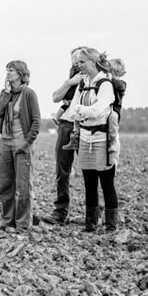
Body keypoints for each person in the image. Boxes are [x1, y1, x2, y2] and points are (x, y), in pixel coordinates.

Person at [62, 47, 118, 232]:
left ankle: (111, 225)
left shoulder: (105, 84)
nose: (79, 66)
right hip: (85, 137)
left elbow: (98, 110)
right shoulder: (83, 84)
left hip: (103, 139)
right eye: (77, 63)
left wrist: (81, 110)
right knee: (89, 181)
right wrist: (82, 111)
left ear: (93, 62)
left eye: (82, 63)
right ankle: (91, 223)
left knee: (106, 181)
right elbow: (72, 112)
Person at [0, 61, 41, 233]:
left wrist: (26, 141)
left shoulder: (29, 94)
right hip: (5, 142)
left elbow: (36, 121)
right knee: (5, 184)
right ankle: (7, 221)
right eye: (7, 70)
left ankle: (22, 224)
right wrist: (6, 94)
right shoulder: (5, 93)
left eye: (11, 70)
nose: (8, 73)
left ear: (21, 73)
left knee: (23, 186)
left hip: (21, 143)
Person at [63, 57, 127, 167]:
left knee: (113, 119)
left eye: (116, 72)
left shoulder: (119, 83)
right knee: (78, 117)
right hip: (102, 108)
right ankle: (75, 135)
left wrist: (111, 78)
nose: (112, 74)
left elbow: (117, 87)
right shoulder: (95, 83)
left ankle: (112, 141)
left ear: (122, 73)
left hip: (114, 108)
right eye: (110, 71)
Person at [45, 50, 84, 225]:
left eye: (79, 59)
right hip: (65, 125)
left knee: (91, 171)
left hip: (85, 125)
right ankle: (61, 211)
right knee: (62, 171)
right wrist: (68, 82)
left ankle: (94, 212)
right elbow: (56, 97)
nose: (75, 62)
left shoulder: (94, 77)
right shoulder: (71, 78)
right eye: (73, 59)